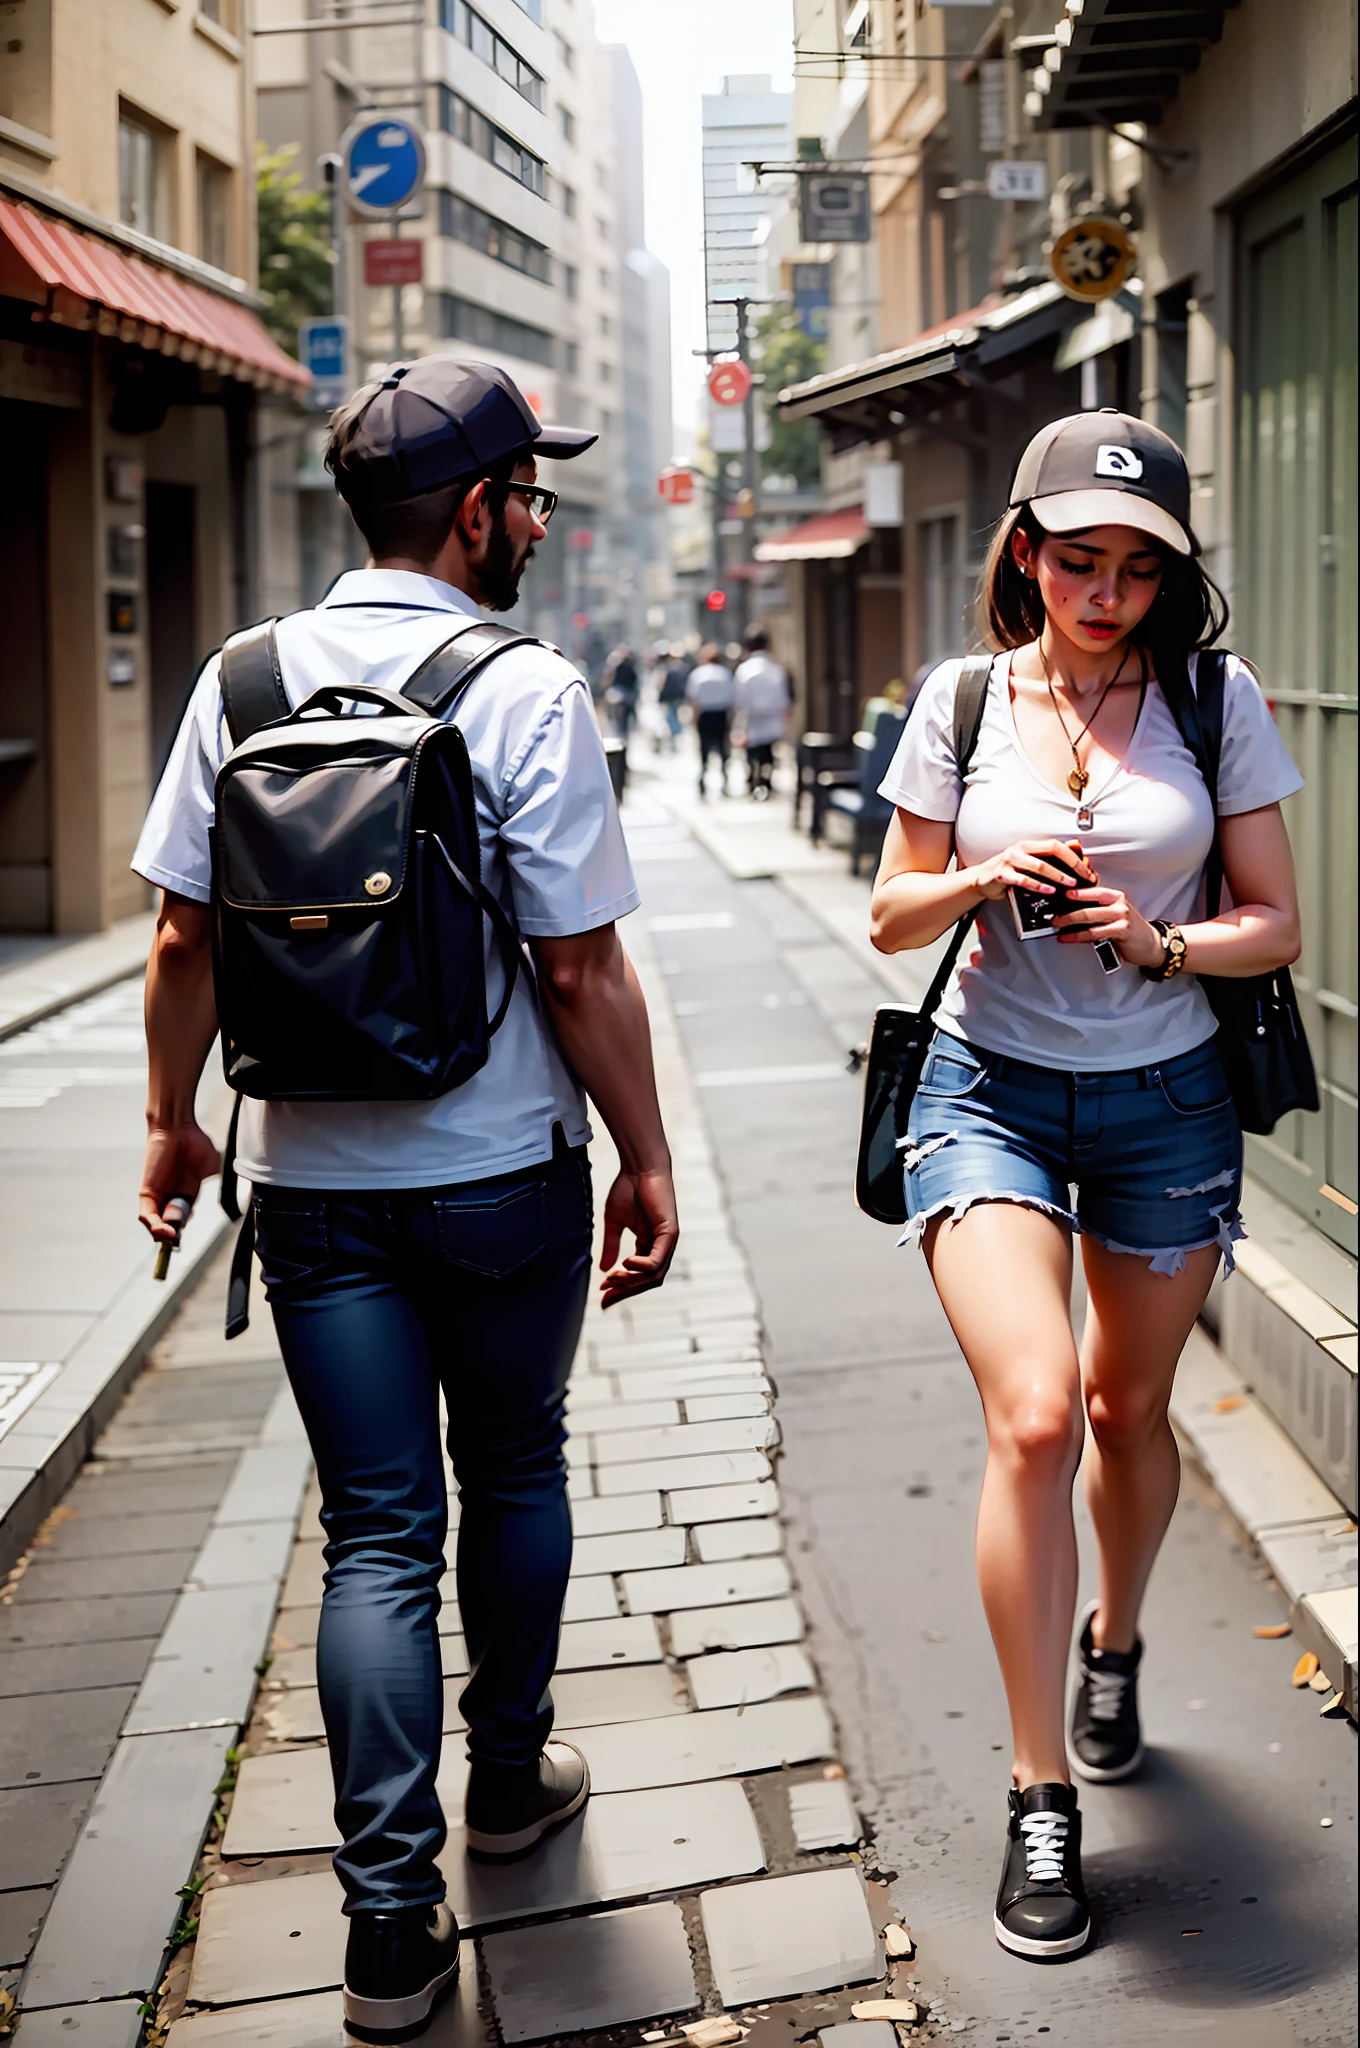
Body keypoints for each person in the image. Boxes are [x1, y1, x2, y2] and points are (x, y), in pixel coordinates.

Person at [132, 358, 680, 2042]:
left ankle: (385, 1926)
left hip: (314, 1192)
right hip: (500, 1170)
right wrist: (648, 1154)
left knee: (375, 1527)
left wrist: (174, 1122)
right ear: (474, 513)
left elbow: (178, 939)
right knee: (509, 1459)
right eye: (532, 494)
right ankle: (508, 1783)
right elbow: (579, 967)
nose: (539, 519)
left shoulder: (240, 678)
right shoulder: (524, 686)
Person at [869, 410, 1303, 1963]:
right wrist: (983, 880)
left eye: (1133, 566)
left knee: (1129, 1411)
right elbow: (890, 915)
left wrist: (1157, 938)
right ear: (1026, 552)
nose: (1102, 590)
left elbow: (1277, 925)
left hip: (1168, 1101)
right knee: (1039, 1413)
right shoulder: (963, 698)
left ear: (1168, 578)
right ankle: (1038, 1785)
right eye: (1076, 558)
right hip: (983, 1090)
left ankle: (1115, 1637)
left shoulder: (1213, 696)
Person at [734, 627, 792, 799]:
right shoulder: (776, 669)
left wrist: (737, 724)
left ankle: (754, 780)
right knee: (768, 752)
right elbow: (784, 700)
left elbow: (739, 700)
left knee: (753, 753)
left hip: (751, 719)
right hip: (772, 719)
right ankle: (765, 780)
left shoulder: (744, 670)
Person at [686, 641, 736, 797]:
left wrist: (694, 719)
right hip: (720, 714)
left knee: (704, 749)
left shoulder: (698, 674)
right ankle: (724, 779)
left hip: (705, 715)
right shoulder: (725, 674)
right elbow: (731, 700)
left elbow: (693, 700)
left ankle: (703, 779)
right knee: (722, 749)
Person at [657, 642, 690, 751]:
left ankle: (675, 735)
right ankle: (675, 736)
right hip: (676, 696)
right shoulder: (681, 667)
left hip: (672, 697)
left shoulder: (672, 668)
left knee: (671, 716)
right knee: (672, 716)